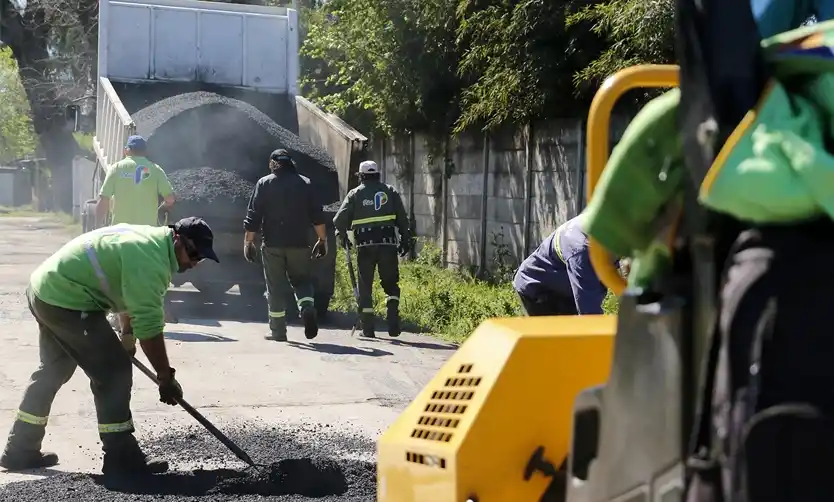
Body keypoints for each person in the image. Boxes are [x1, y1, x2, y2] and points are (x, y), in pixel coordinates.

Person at [0, 217, 218, 475]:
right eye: (193, 253)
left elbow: (126, 293)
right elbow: (149, 326)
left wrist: (126, 338)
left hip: (46, 290)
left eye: (200, 259)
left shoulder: (149, 242)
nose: (194, 262)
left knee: (54, 369)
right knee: (114, 373)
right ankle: (120, 458)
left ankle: (19, 449)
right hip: (67, 300)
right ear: (176, 238)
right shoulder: (151, 261)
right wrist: (164, 376)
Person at [95, 134, 179, 342]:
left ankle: (123, 322)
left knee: (119, 276)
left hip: (119, 235)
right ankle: (146, 320)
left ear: (126, 151)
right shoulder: (156, 169)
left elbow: (103, 200)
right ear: (145, 151)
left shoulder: (116, 168)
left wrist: (97, 228)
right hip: (145, 236)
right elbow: (170, 198)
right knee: (144, 278)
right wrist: (161, 208)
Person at [243, 149, 328, 342]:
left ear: (272, 163)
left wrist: (248, 242)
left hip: (272, 244)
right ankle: (307, 308)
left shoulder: (264, 183)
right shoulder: (305, 183)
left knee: (275, 287)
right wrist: (322, 240)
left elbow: (253, 216)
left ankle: (278, 332)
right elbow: (317, 215)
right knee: (302, 281)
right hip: (299, 244)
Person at [333, 160, 411, 338]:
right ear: (377, 174)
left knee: (365, 287)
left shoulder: (355, 194)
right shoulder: (390, 191)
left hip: (365, 246)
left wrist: (342, 236)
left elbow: (339, 220)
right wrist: (405, 239)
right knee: (391, 284)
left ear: (361, 176)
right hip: (388, 245)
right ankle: (392, 316)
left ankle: (368, 329)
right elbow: (403, 219)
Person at [513, 214, 619, 316]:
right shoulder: (580, 250)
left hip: (564, 288)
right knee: (556, 332)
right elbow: (590, 311)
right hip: (537, 288)